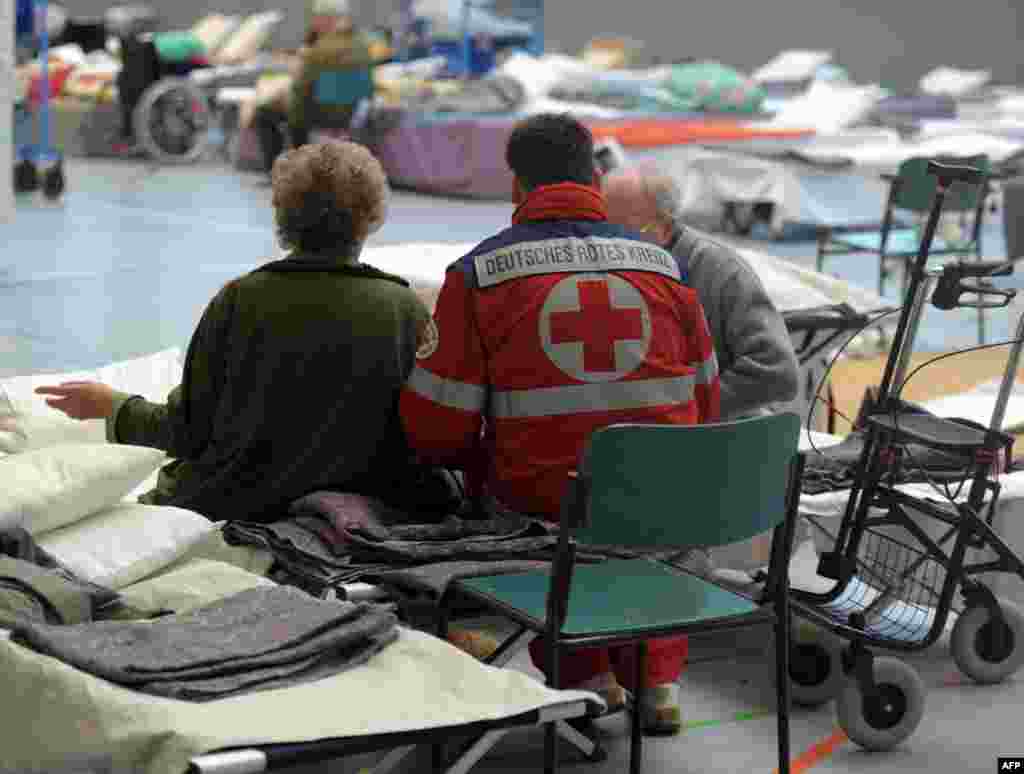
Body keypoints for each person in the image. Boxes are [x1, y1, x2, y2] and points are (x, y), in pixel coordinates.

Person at [399, 113, 721, 735]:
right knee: (644, 505)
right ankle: (657, 680)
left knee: (547, 502)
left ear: (517, 186)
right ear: (595, 179)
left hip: (547, 520)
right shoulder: (666, 268)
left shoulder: (478, 276)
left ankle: (587, 679)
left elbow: (437, 431)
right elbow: (706, 407)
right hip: (667, 515)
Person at [36, 141, 435, 524]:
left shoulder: (240, 300)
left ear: (283, 215)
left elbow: (188, 432)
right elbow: (426, 437)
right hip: (362, 502)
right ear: (371, 217)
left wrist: (112, 405)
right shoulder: (406, 311)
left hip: (237, 503)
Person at [602, 167, 800, 421]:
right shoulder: (616, 271)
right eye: (604, 233)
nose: (612, 246)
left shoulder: (720, 271)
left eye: (624, 233)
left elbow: (778, 372)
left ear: (664, 225)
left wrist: (690, 409)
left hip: (719, 441)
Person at [252, 0, 375, 174]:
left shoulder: (318, 51)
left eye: (316, 18)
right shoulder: (362, 46)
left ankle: (278, 172)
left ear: (325, 19)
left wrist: (294, 121)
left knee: (266, 112)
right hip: (351, 113)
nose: (313, 23)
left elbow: (302, 91)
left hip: (320, 114)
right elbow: (368, 86)